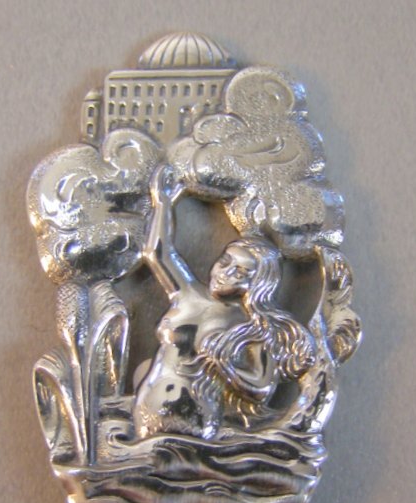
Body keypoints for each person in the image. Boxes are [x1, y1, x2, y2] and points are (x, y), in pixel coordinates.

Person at [133, 166, 315, 439]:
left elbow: (262, 388)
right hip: (148, 403)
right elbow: (157, 253)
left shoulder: (249, 325)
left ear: (256, 285)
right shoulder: (188, 293)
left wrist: (225, 365)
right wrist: (163, 202)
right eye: (225, 261)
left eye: (239, 273)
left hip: (192, 414)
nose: (224, 273)